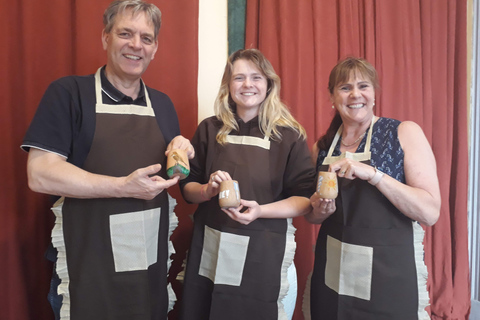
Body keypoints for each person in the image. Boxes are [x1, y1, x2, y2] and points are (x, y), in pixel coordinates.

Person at [21, 1, 193, 319]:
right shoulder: (69, 93)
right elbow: (40, 173)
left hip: (147, 272)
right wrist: (122, 186)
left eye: (146, 37)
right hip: (89, 265)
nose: (135, 45)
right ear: (105, 38)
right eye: (125, 33)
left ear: (155, 48)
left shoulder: (164, 105)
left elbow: (172, 171)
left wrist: (181, 152)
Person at [178, 49, 316, 320]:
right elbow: (187, 189)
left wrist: (260, 210)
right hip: (212, 247)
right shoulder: (209, 129)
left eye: (256, 77)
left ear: (269, 84)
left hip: (263, 249)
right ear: (228, 86)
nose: (248, 84)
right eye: (239, 78)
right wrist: (207, 190)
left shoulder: (289, 136)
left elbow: (304, 199)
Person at [305, 57, 441, 319]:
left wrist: (374, 175)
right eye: (345, 88)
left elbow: (430, 212)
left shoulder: (403, 132)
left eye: (363, 86)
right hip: (334, 267)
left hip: (388, 270)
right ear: (332, 96)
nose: (355, 94)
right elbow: (312, 217)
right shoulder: (322, 148)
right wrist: (320, 209)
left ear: (374, 93)